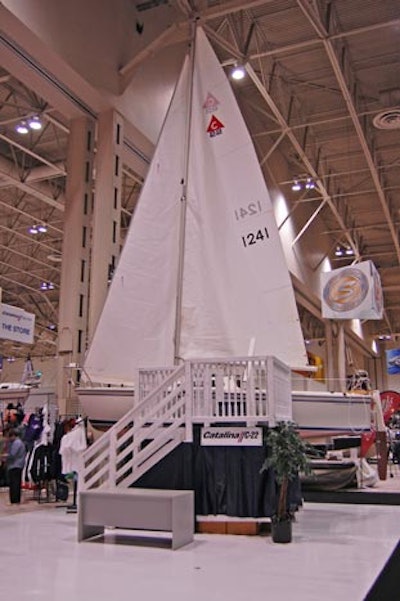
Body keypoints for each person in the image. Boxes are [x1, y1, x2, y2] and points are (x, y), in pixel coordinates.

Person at [4, 428, 27, 505]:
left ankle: (15, 500)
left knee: (14, 483)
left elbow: (12, 454)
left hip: (15, 465)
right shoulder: (18, 442)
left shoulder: (17, 443)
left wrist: (4, 456)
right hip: (17, 465)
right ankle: (15, 500)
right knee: (15, 483)